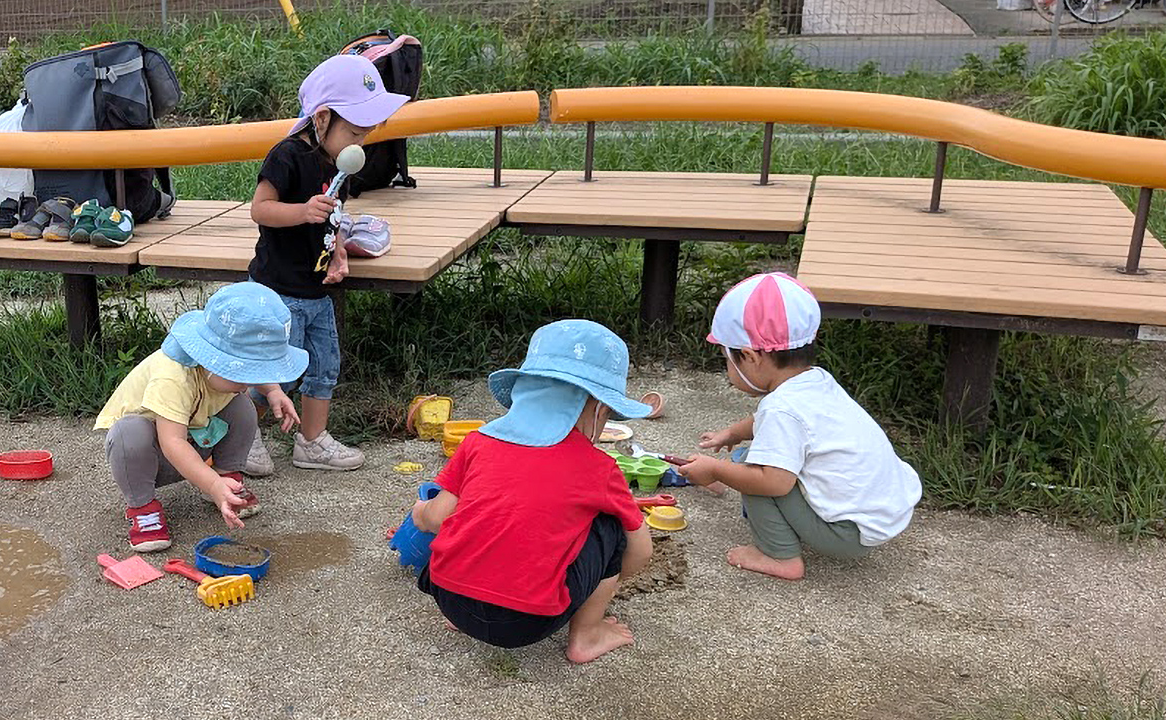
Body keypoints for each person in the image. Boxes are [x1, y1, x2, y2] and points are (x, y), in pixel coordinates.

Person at [410, 320, 654, 663]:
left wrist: (420, 512)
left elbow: (436, 518)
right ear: (600, 410)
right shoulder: (599, 468)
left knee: (471, 519)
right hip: (527, 624)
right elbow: (641, 552)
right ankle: (586, 633)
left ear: (523, 392)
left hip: (450, 598)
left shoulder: (478, 442)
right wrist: (603, 580)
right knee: (612, 527)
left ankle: (463, 616)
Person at [679, 273, 923, 580]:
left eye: (727, 359)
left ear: (751, 357)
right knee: (752, 459)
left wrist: (715, 470)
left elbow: (773, 482)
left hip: (848, 535)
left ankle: (779, 556)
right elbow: (773, 424)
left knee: (754, 471)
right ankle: (782, 523)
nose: (727, 369)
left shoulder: (782, 408)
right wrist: (732, 433)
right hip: (885, 512)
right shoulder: (815, 381)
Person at [244, 53, 409, 475]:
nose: (362, 141)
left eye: (366, 133)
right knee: (269, 373)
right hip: (277, 291)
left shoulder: (340, 164)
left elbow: (335, 221)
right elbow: (260, 210)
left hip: (317, 291)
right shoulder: (287, 156)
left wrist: (337, 252)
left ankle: (312, 442)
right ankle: (243, 438)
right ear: (321, 119)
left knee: (323, 367)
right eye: (354, 131)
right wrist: (301, 212)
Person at [95, 282, 305, 552]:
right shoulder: (173, 376)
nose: (248, 382)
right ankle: (143, 507)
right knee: (129, 434)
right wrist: (212, 483)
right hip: (151, 455)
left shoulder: (216, 372)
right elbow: (172, 443)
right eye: (242, 372)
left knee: (242, 406)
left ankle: (227, 479)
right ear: (212, 358)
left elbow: (248, 377)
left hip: (193, 436)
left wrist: (273, 391)